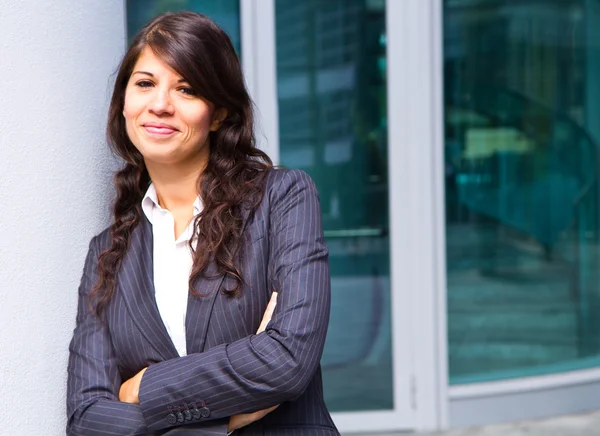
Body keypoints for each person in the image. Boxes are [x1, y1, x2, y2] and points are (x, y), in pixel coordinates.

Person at [66, 11, 339, 436]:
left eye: (187, 89)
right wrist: (218, 422)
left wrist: (143, 387)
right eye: (145, 84)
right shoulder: (106, 254)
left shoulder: (283, 198)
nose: (160, 104)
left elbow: (288, 359)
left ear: (219, 113)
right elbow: (87, 418)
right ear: (124, 103)